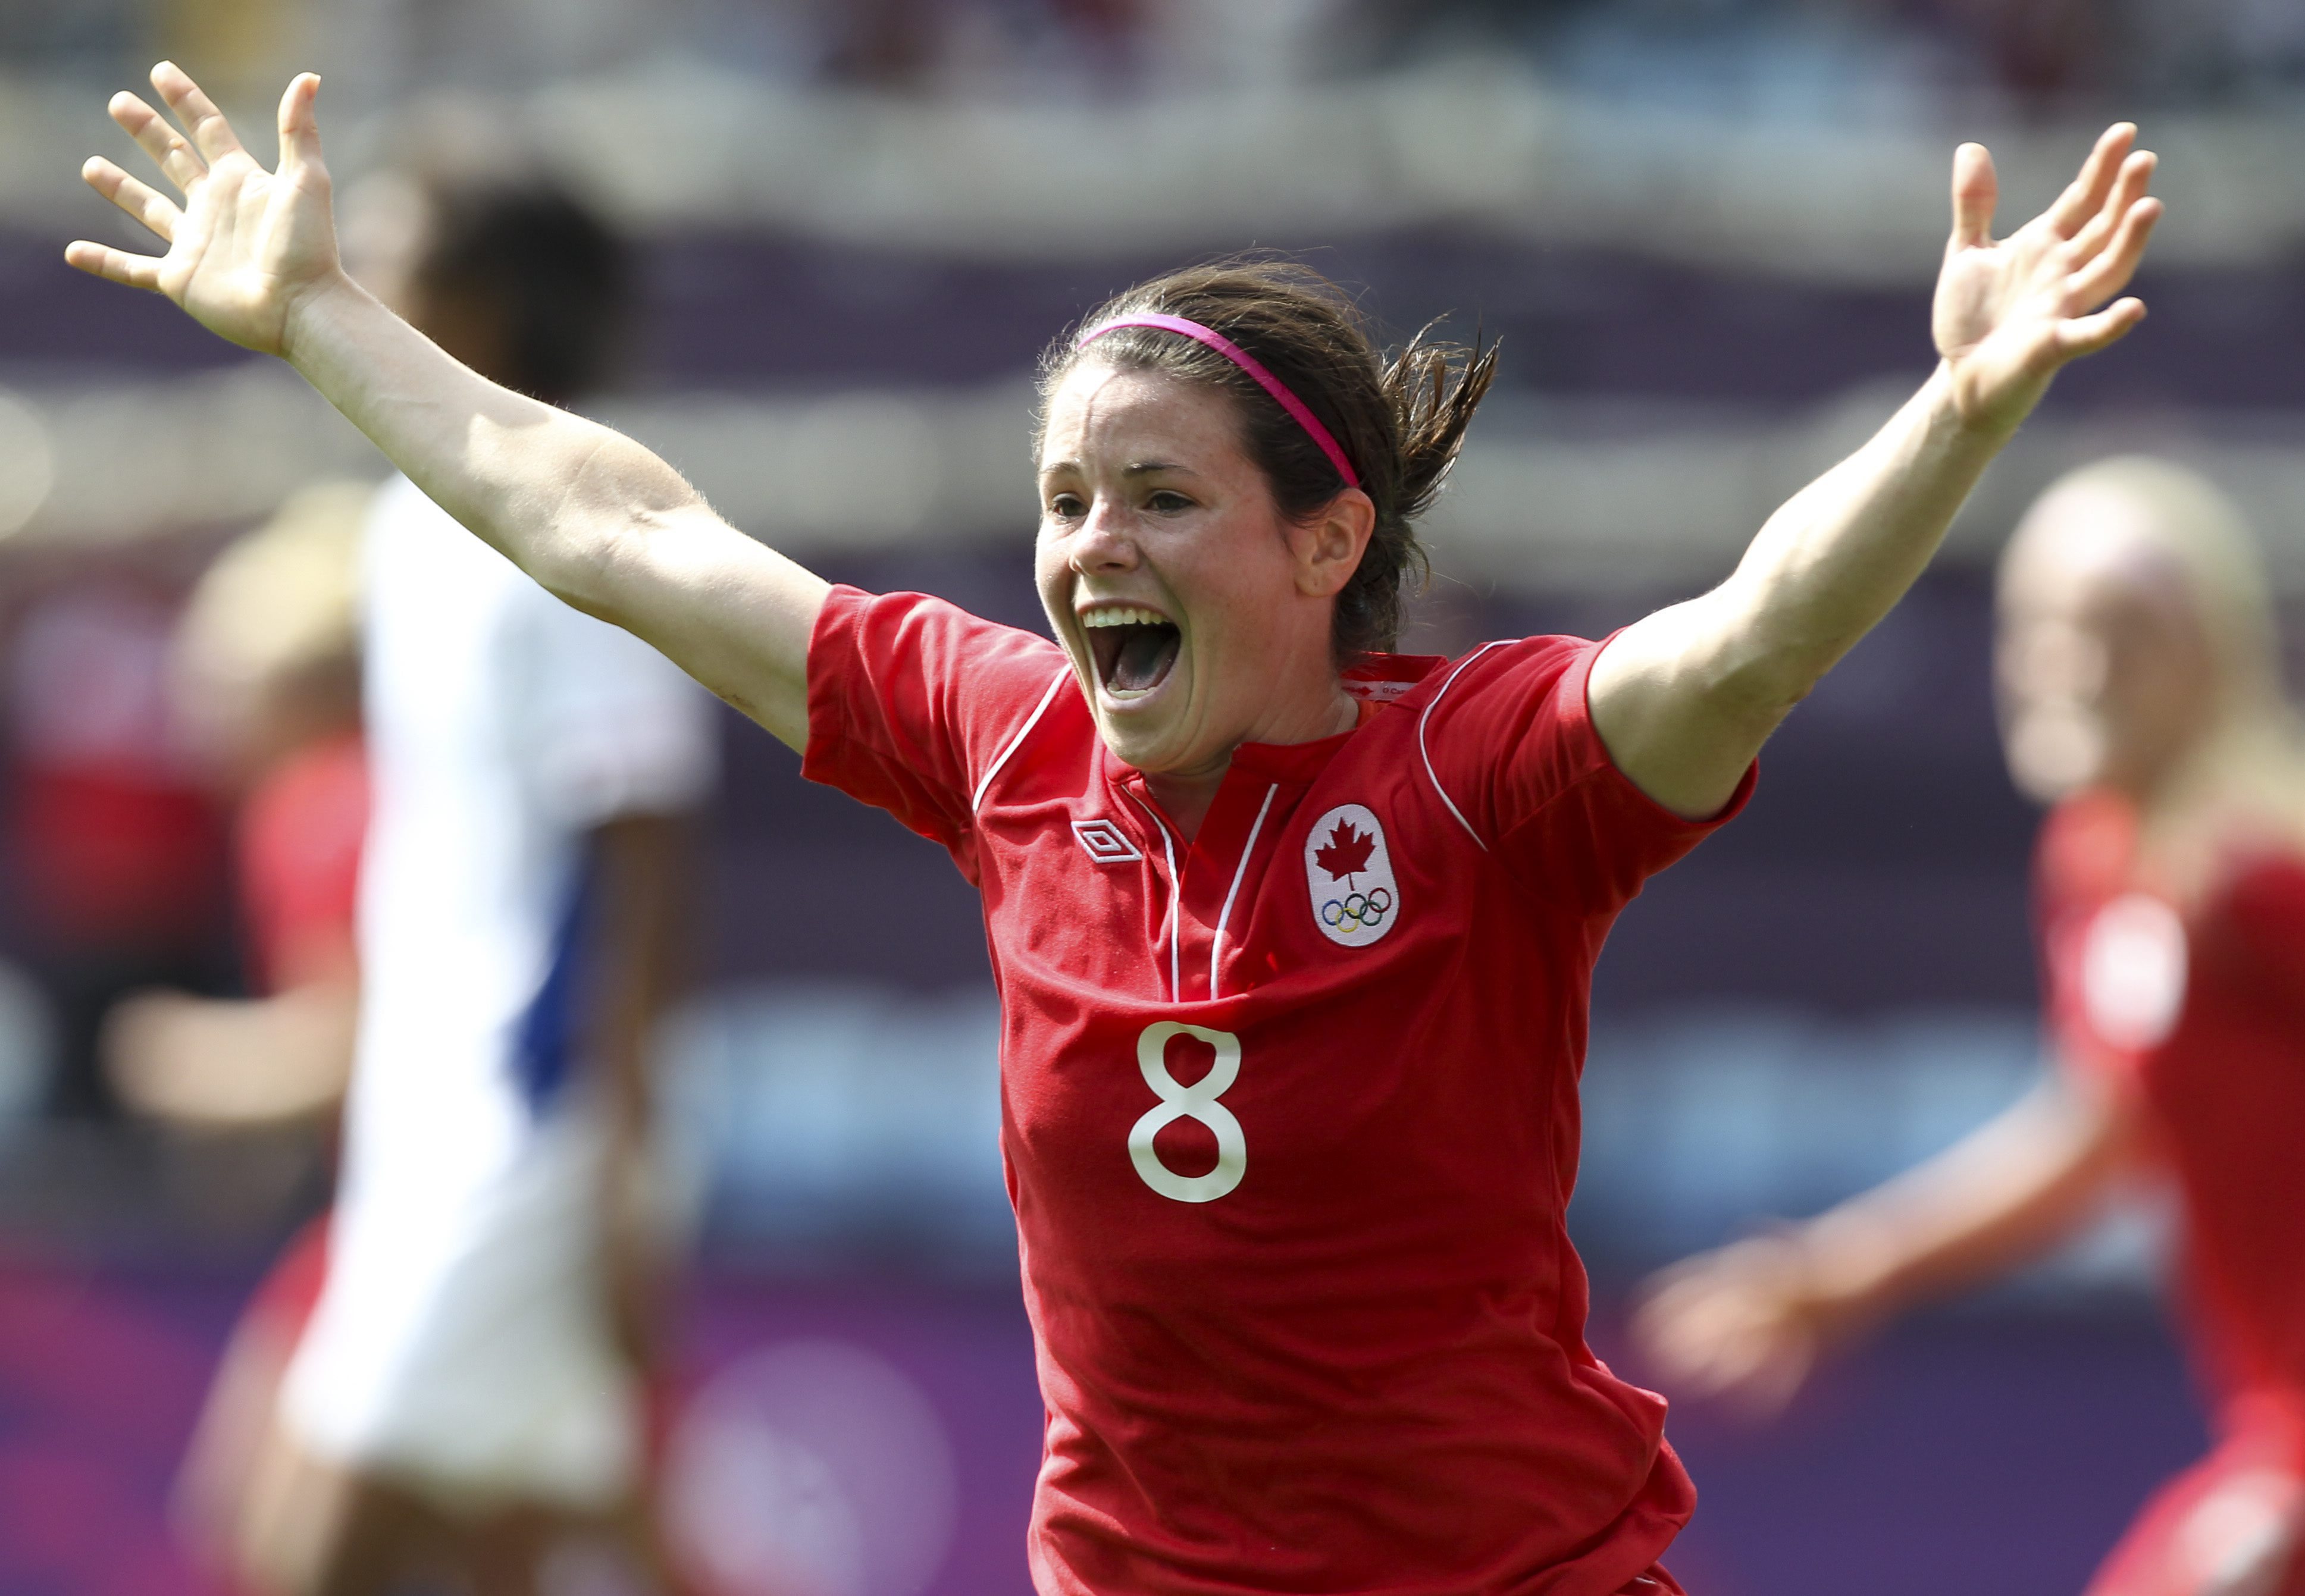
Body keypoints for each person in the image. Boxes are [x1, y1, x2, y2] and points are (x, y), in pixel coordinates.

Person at [68, 62, 2159, 1594]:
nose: (1087, 549)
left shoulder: (1487, 775)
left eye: (1159, 497)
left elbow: (1754, 629)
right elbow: (613, 524)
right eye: (1069, 498)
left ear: (1326, 536)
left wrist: (1954, 411)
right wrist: (327, 323)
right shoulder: (998, 740)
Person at [88, 145, 720, 1595]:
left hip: (529, 1144)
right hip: (439, 1132)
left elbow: (641, 861)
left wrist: (619, 1166)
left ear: (481, 313)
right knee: (521, 1549)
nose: (343, 279)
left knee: (314, 1546)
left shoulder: (582, 526)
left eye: (385, 255)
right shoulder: (407, 524)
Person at [1636, 457, 2305, 1596]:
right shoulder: (2105, 860)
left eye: (2124, 628)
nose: (2075, 665)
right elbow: (2100, 1134)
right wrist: (1841, 1274)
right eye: (2042, 626)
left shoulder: (2252, 878)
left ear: (2211, 647)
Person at [102, 479, 372, 1588]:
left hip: (417, 1229)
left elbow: (350, 1051)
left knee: (268, 1537)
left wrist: (174, 1061)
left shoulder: (320, 807)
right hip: (421, 1217)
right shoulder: (363, 793)